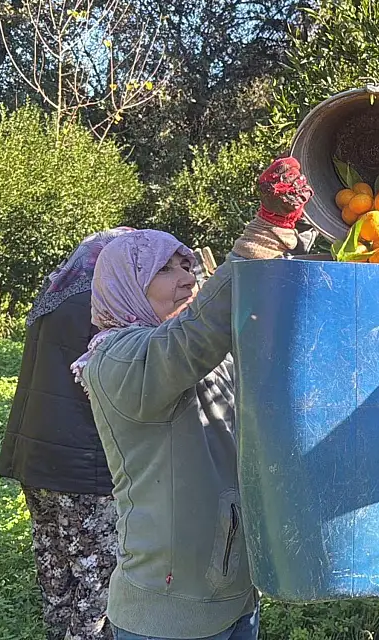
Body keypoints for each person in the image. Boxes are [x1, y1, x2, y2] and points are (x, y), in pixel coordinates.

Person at [73, 157, 313, 640]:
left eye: (187, 265)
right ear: (125, 285)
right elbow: (193, 337)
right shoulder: (116, 360)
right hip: (166, 616)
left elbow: (242, 325)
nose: (186, 278)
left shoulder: (197, 355)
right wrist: (266, 232)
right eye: (163, 269)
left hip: (233, 593)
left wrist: (298, 243)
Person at [0, 226, 135, 640]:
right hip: (82, 464)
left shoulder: (56, 295)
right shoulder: (106, 302)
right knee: (97, 584)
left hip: (35, 457)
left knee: (56, 567)